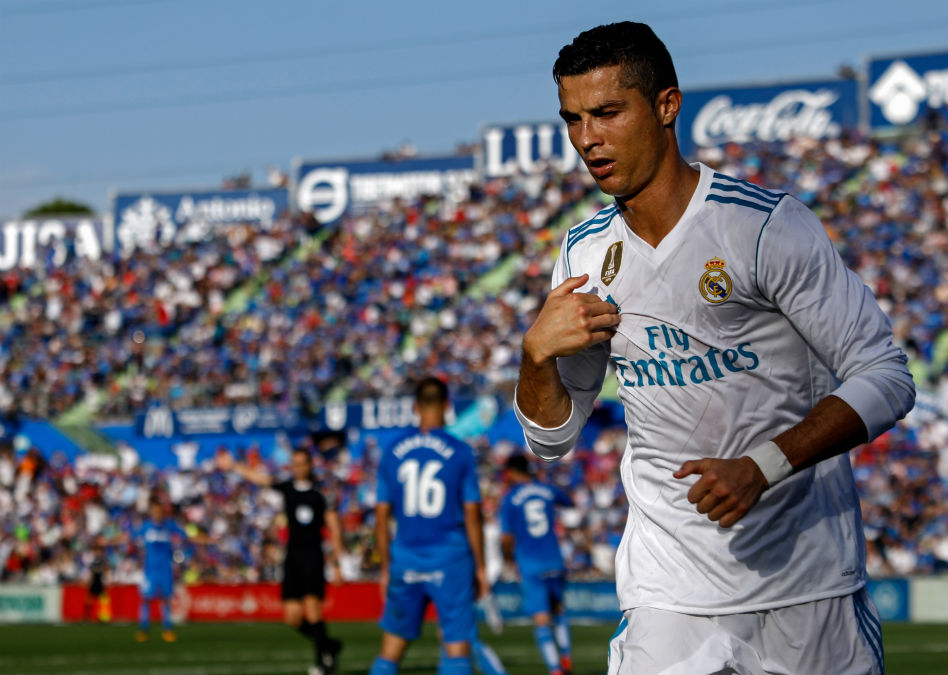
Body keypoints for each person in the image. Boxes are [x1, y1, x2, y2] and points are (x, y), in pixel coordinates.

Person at [515, 21, 915, 675]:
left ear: (666, 105)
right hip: (668, 590)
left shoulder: (762, 227)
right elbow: (552, 439)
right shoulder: (584, 254)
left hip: (806, 584)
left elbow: (886, 375)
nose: (587, 139)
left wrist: (763, 464)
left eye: (608, 113)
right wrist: (535, 357)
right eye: (574, 119)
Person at [368, 377, 490, 675]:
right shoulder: (460, 452)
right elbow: (472, 514)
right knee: (456, 647)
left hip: (406, 557)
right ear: (447, 407)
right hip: (450, 558)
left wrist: (386, 567)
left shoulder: (393, 450)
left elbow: (382, 516)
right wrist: (481, 567)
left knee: (391, 648)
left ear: (414, 407)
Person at [217, 447, 345, 675]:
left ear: (310, 465)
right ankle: (329, 645)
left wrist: (336, 564)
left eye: (302, 463)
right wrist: (235, 466)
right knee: (292, 617)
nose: (298, 468)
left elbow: (334, 527)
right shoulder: (287, 488)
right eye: (295, 464)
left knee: (313, 608)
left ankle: (322, 664)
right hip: (293, 557)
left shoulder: (320, 493)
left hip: (313, 556)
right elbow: (262, 479)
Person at [500, 453, 575, 675]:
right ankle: (567, 657)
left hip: (530, 562)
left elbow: (506, 538)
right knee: (558, 610)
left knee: (541, 619)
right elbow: (569, 500)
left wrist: (508, 559)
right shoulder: (547, 489)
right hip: (554, 558)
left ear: (512, 472)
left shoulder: (510, 498)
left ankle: (555, 669)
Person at [132, 499, 204, 642]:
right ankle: (144, 629)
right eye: (155, 510)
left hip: (165, 569)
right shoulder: (146, 527)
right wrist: (107, 541)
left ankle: (168, 629)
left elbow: (188, 536)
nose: (157, 513)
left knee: (166, 599)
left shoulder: (169, 525)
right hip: (150, 570)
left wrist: (207, 540)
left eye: (159, 510)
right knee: (146, 599)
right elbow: (129, 537)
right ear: (151, 512)